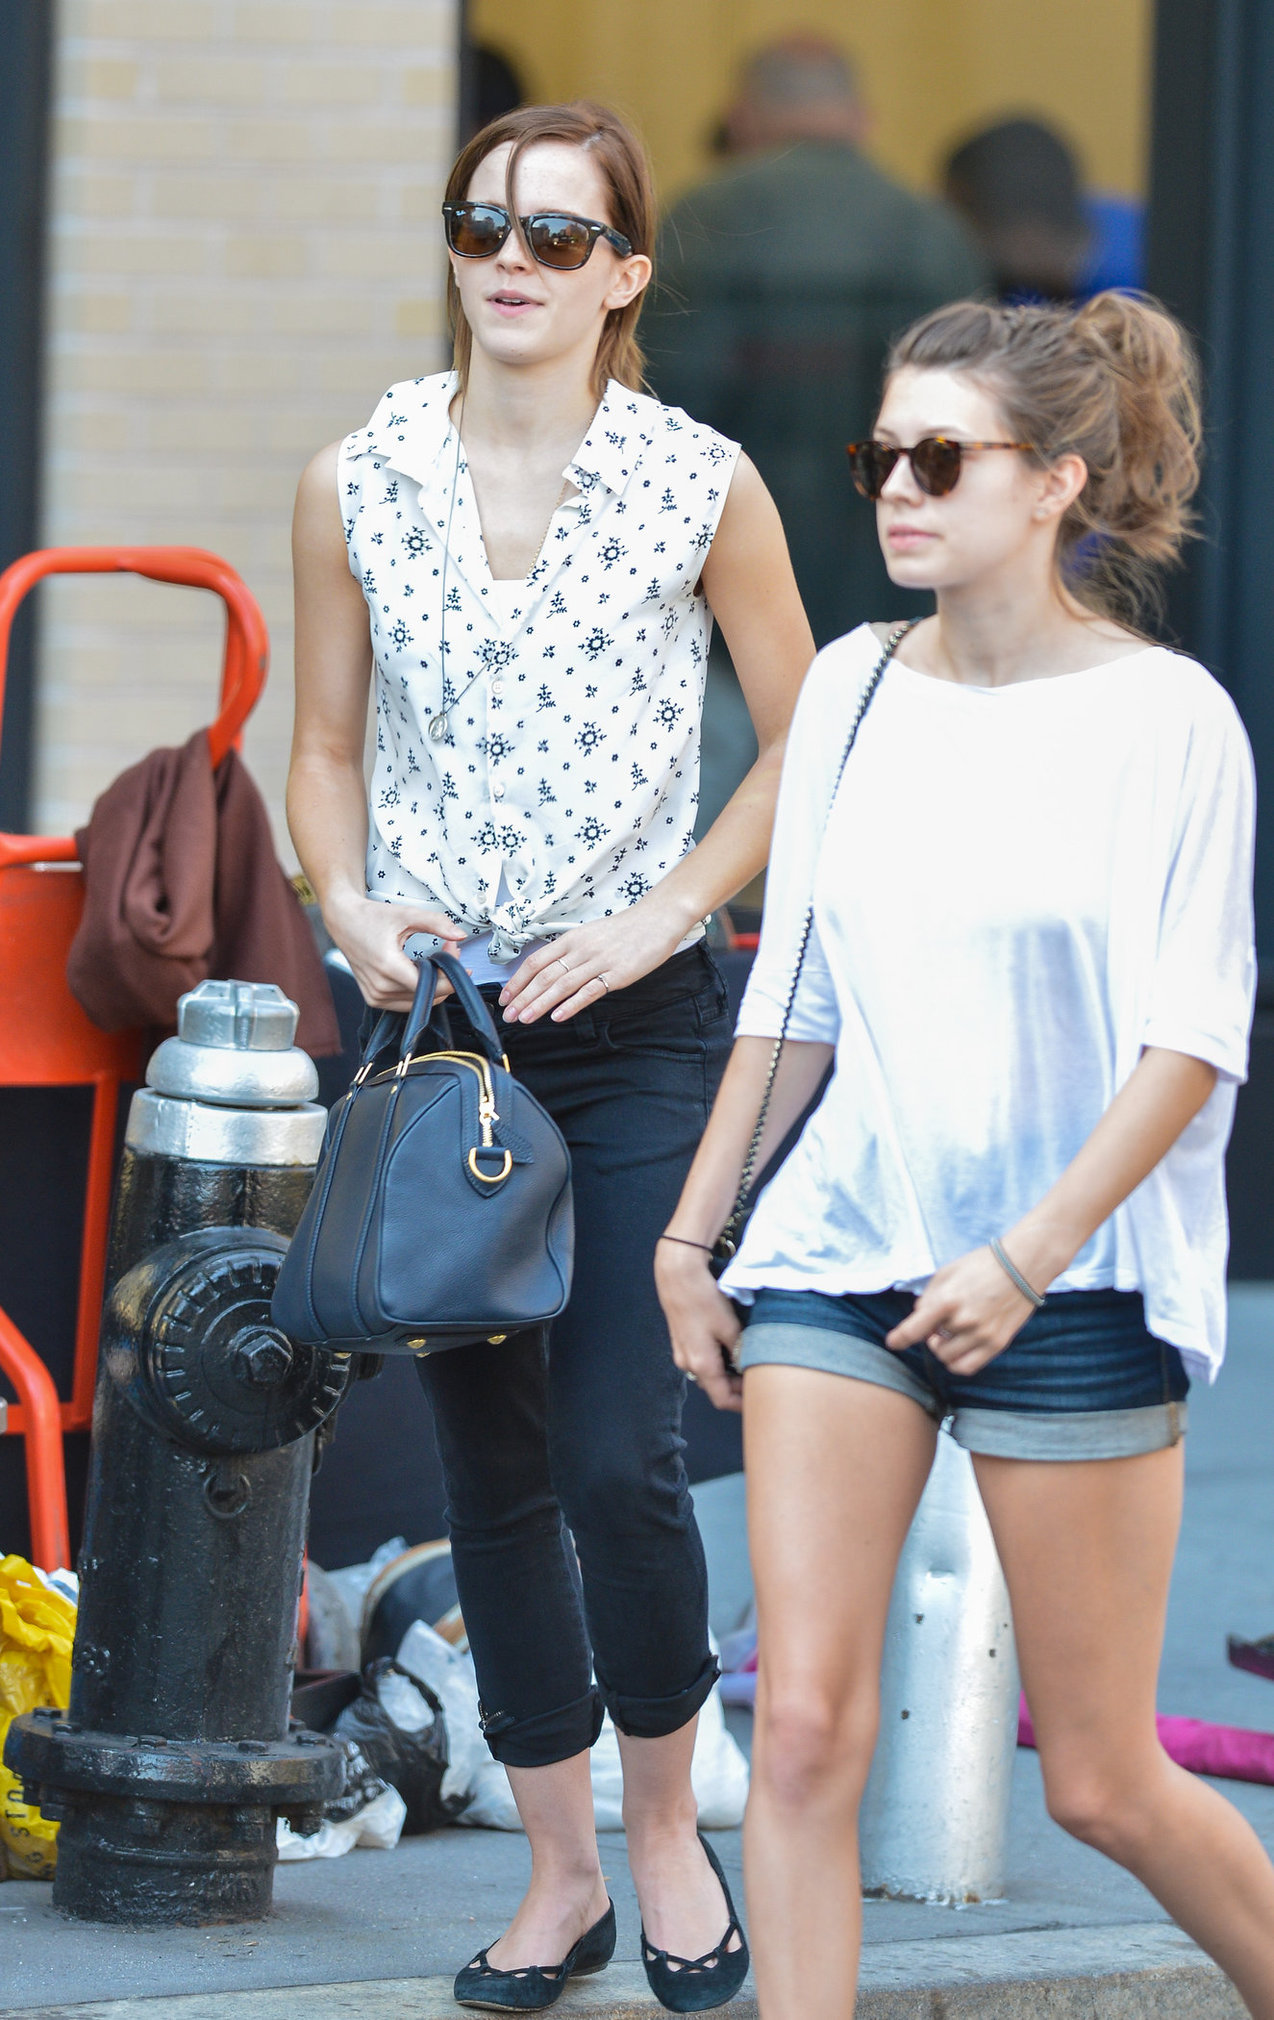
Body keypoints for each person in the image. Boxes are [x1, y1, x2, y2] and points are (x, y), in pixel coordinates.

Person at [656, 291, 1274, 2019]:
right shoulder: (851, 686)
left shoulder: (1165, 723)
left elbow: (1190, 1037)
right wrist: (691, 1236)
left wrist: (1023, 1254)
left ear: (1056, 481)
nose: (893, 492)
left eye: (938, 458)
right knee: (794, 1726)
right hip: (838, 1247)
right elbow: (795, 990)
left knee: (1094, 1775)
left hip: (1068, 1273)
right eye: (878, 457)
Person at [288, 100, 813, 2013]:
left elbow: (801, 734)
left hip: (640, 1025)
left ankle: (670, 1833)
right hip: (439, 1041)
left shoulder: (702, 484)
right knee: (491, 1474)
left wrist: (668, 912)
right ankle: (559, 1875)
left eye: (559, 237)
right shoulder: (354, 478)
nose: (512, 261)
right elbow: (323, 753)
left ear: (627, 272)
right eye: (481, 225)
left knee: (620, 1449)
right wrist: (345, 905)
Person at [645, 34, 985, 663]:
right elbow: (969, 443)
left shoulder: (700, 222)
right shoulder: (934, 235)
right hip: (891, 601)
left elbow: (653, 424)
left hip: (719, 620)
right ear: (861, 119)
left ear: (741, 117)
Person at [941, 117, 1094, 302]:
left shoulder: (1129, 285)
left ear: (1026, 233)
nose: (951, 236)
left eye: (961, 219)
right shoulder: (1019, 284)